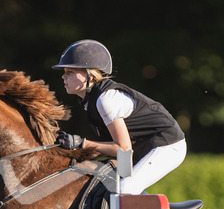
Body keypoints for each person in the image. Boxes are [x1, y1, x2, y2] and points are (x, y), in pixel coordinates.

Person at [52, 39, 186, 194]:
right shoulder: (89, 101)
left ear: (90, 74)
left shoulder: (106, 100)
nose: (63, 77)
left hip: (167, 146)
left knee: (125, 189)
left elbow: (123, 149)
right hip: (142, 147)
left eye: (70, 72)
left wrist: (81, 143)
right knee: (110, 184)